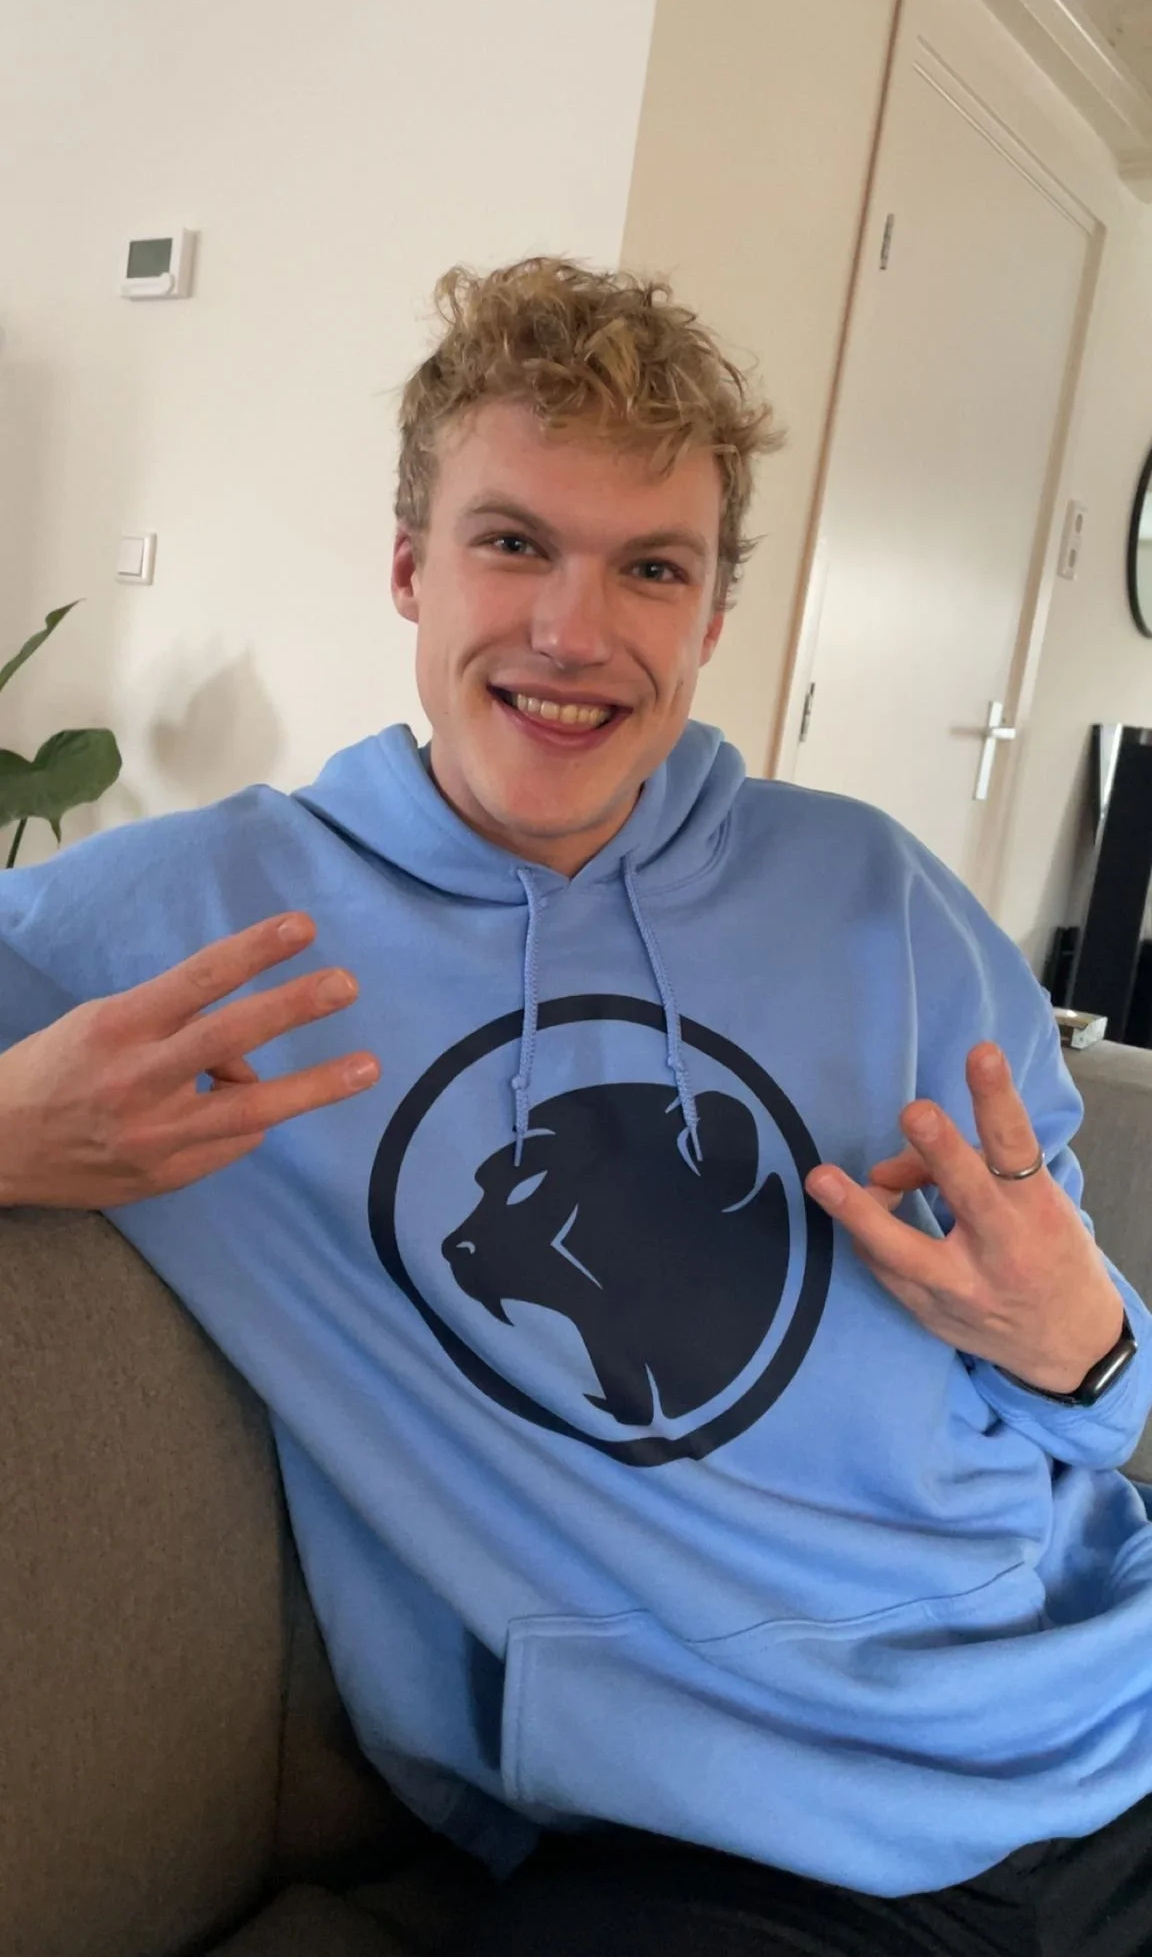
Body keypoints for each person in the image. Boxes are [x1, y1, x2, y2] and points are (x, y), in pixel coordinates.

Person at [1, 257, 1150, 1957]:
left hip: (1105, 1714)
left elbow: (1097, 1400)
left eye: (650, 568)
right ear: (410, 567)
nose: (571, 630)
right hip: (722, 1842)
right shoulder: (198, 923)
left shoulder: (881, 901)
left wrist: (1087, 1344)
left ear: (709, 618)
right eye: (515, 542)